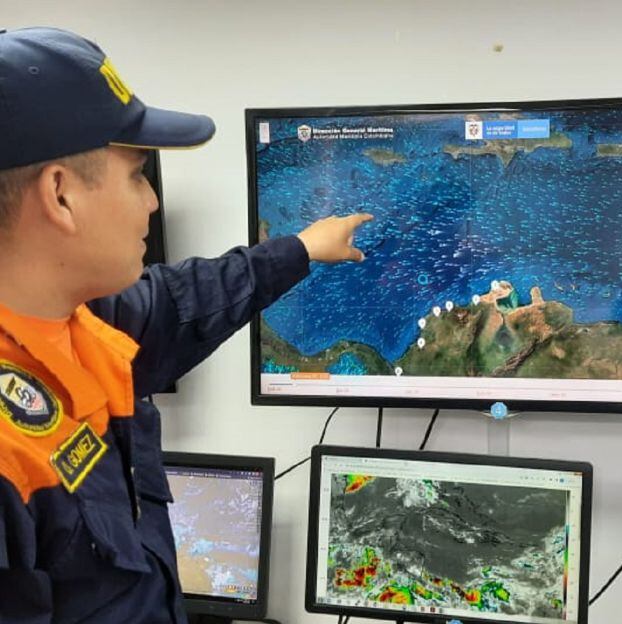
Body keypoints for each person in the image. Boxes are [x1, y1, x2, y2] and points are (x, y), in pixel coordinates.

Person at [0, 27, 372, 622]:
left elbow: (183, 300)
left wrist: (302, 248)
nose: (151, 201)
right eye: (137, 175)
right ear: (61, 195)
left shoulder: (84, 322)